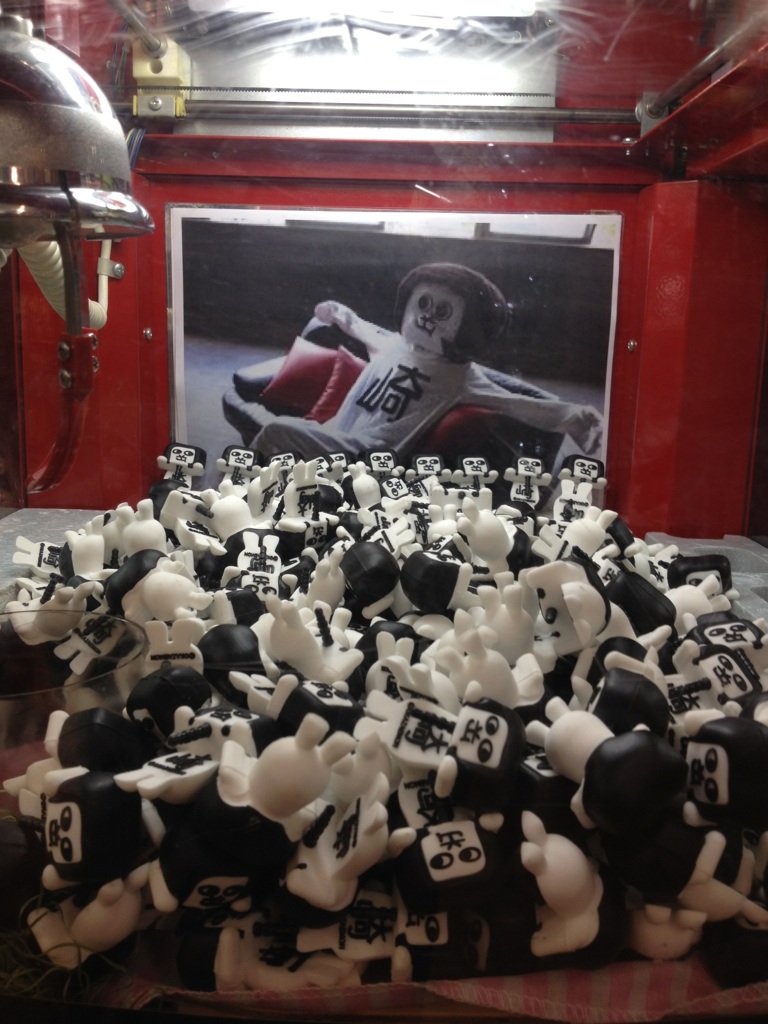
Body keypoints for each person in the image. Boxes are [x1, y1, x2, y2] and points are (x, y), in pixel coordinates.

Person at [253, 262, 603, 463]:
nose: (427, 316)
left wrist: (577, 416)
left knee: (274, 433)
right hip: (336, 435)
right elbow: (358, 325)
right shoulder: (394, 344)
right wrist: (335, 312)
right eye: (423, 304)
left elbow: (518, 404)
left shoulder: (459, 376)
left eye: (443, 311)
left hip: (373, 455)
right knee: (284, 440)